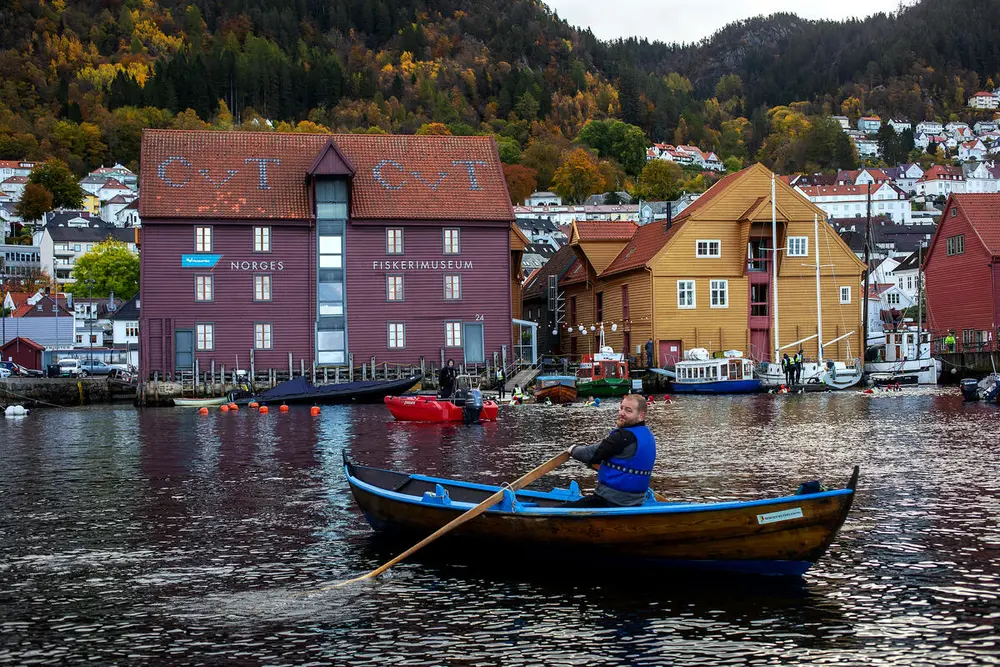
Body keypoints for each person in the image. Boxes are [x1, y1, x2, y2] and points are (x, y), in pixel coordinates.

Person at [563, 395, 655, 507]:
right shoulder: (648, 435)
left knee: (556, 512)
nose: (621, 413)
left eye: (628, 410)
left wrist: (572, 449)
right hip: (636, 501)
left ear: (641, 416)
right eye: (621, 408)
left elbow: (592, 454)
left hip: (611, 501)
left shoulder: (622, 437)